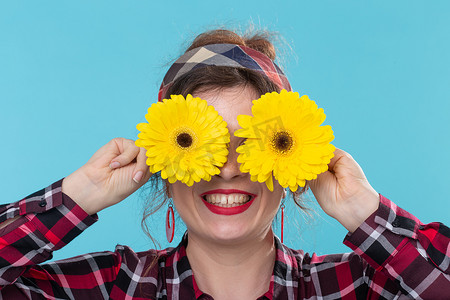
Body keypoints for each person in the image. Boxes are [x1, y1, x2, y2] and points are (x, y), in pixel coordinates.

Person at [0, 29, 449, 300]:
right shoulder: (113, 287)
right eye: (200, 145)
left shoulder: (358, 286)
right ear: (163, 165)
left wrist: (366, 213)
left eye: (249, 143)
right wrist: (74, 199)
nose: (228, 169)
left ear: (291, 161)